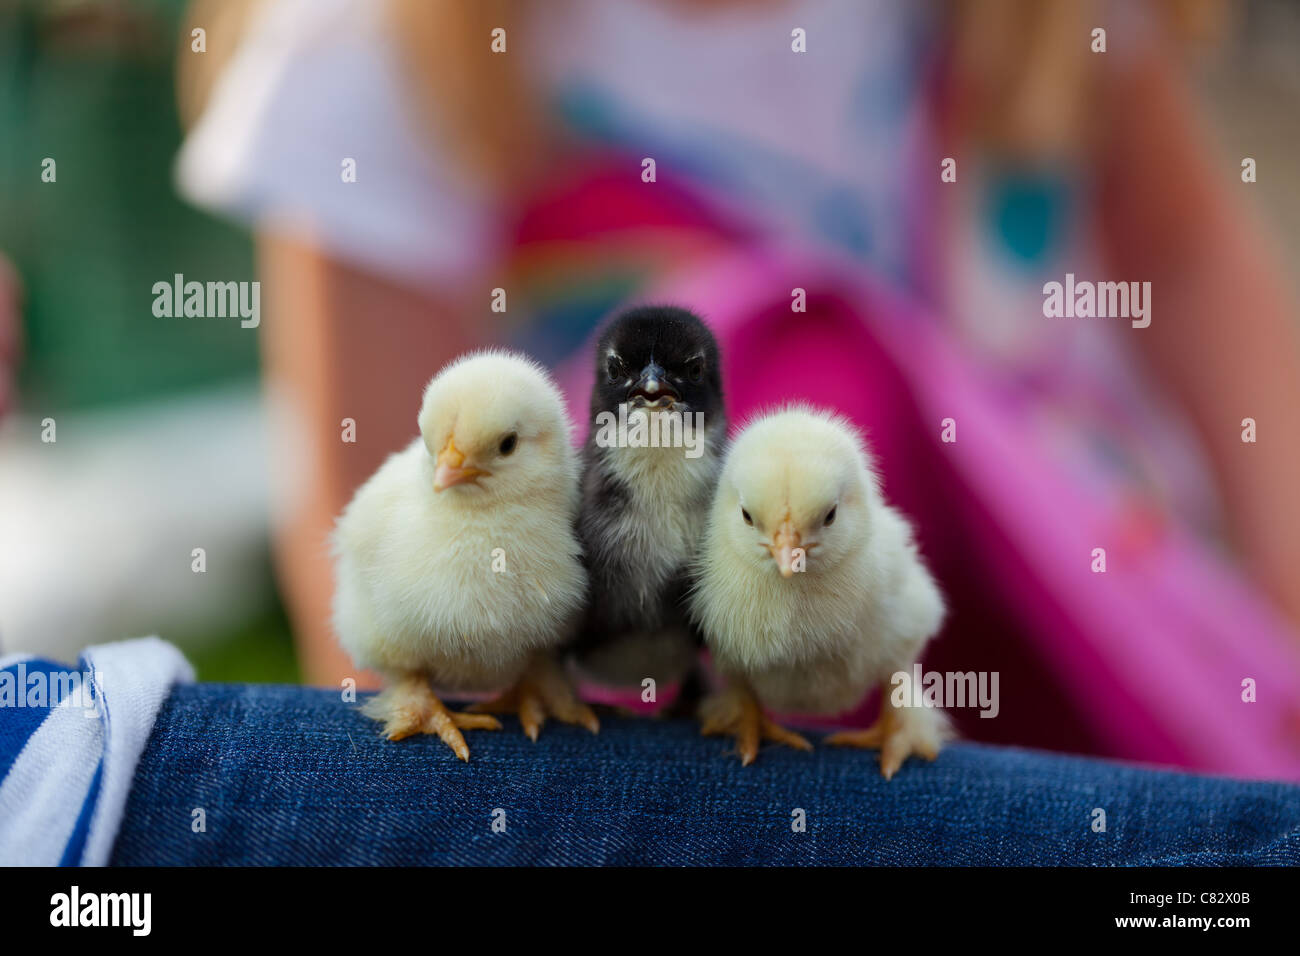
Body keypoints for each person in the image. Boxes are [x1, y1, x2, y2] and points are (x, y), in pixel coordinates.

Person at [175, 0, 1300, 744]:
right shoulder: (378, 60)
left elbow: (1188, 262)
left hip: (1086, 666)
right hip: (655, 745)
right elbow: (370, 595)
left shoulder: (1032, 23)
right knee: (796, 374)